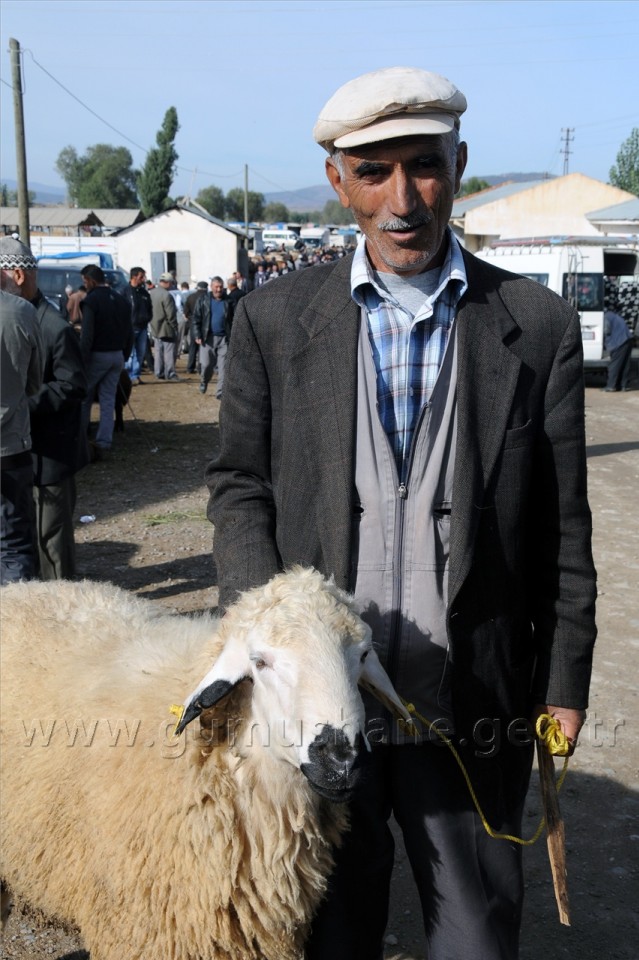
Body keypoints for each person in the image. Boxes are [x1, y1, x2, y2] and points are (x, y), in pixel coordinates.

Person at [205, 66, 598, 960]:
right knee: (329, 929)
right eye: (373, 173)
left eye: (423, 166)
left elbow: (560, 527)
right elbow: (239, 487)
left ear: (459, 164)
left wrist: (565, 680)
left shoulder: (532, 325)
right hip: (321, 699)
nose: (402, 199)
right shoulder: (274, 318)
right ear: (339, 181)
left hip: (471, 698)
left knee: (474, 935)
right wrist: (270, 634)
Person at [0, 236, 88, 579]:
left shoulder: (52, 325)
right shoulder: (20, 315)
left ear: (17, 275)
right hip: (23, 450)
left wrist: (21, 405)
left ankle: (61, 617)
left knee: (51, 546)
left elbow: (72, 385)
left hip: (48, 455)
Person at [0, 280, 43, 584]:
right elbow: (34, 382)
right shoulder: (21, 310)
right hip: (11, 444)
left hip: (13, 444)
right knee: (14, 544)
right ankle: (15, 627)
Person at [79, 264, 133, 456]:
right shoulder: (121, 300)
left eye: (84, 281)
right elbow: (129, 332)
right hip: (117, 355)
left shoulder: (91, 301)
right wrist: (125, 355)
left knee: (84, 398)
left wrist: (82, 360)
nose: (84, 285)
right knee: (108, 400)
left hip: (97, 355)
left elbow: (87, 335)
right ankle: (104, 441)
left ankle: (81, 438)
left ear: (91, 280)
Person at [191, 275, 233, 396]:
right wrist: (197, 334)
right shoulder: (203, 300)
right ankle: (204, 381)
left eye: (221, 287)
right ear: (211, 287)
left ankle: (220, 392)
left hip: (224, 339)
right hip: (207, 338)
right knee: (206, 365)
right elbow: (196, 318)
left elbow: (233, 319)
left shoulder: (229, 301)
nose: (218, 290)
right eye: (216, 287)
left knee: (223, 367)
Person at [122, 266, 152, 385]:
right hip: (130, 327)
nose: (143, 279)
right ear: (134, 277)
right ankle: (129, 376)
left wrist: (148, 318)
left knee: (140, 352)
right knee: (130, 353)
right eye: (141, 277)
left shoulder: (144, 293)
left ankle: (136, 375)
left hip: (143, 327)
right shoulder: (124, 291)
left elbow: (149, 308)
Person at [149, 272, 180, 381]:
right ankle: (170, 373)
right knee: (169, 352)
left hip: (154, 327)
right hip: (166, 328)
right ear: (167, 283)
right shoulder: (166, 295)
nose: (172, 285)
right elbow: (170, 314)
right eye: (171, 283)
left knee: (158, 351)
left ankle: (158, 372)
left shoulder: (151, 293)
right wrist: (175, 326)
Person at [602, 296, 633, 392]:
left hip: (619, 341)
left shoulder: (605, 317)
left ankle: (611, 386)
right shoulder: (613, 315)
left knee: (614, 365)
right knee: (624, 364)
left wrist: (604, 343)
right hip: (628, 339)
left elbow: (606, 331)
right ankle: (623, 386)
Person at [183, 280, 208, 374]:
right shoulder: (207, 298)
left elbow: (185, 313)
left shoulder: (190, 297)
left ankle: (190, 367)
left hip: (193, 324)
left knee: (192, 347)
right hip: (205, 325)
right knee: (203, 347)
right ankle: (200, 368)